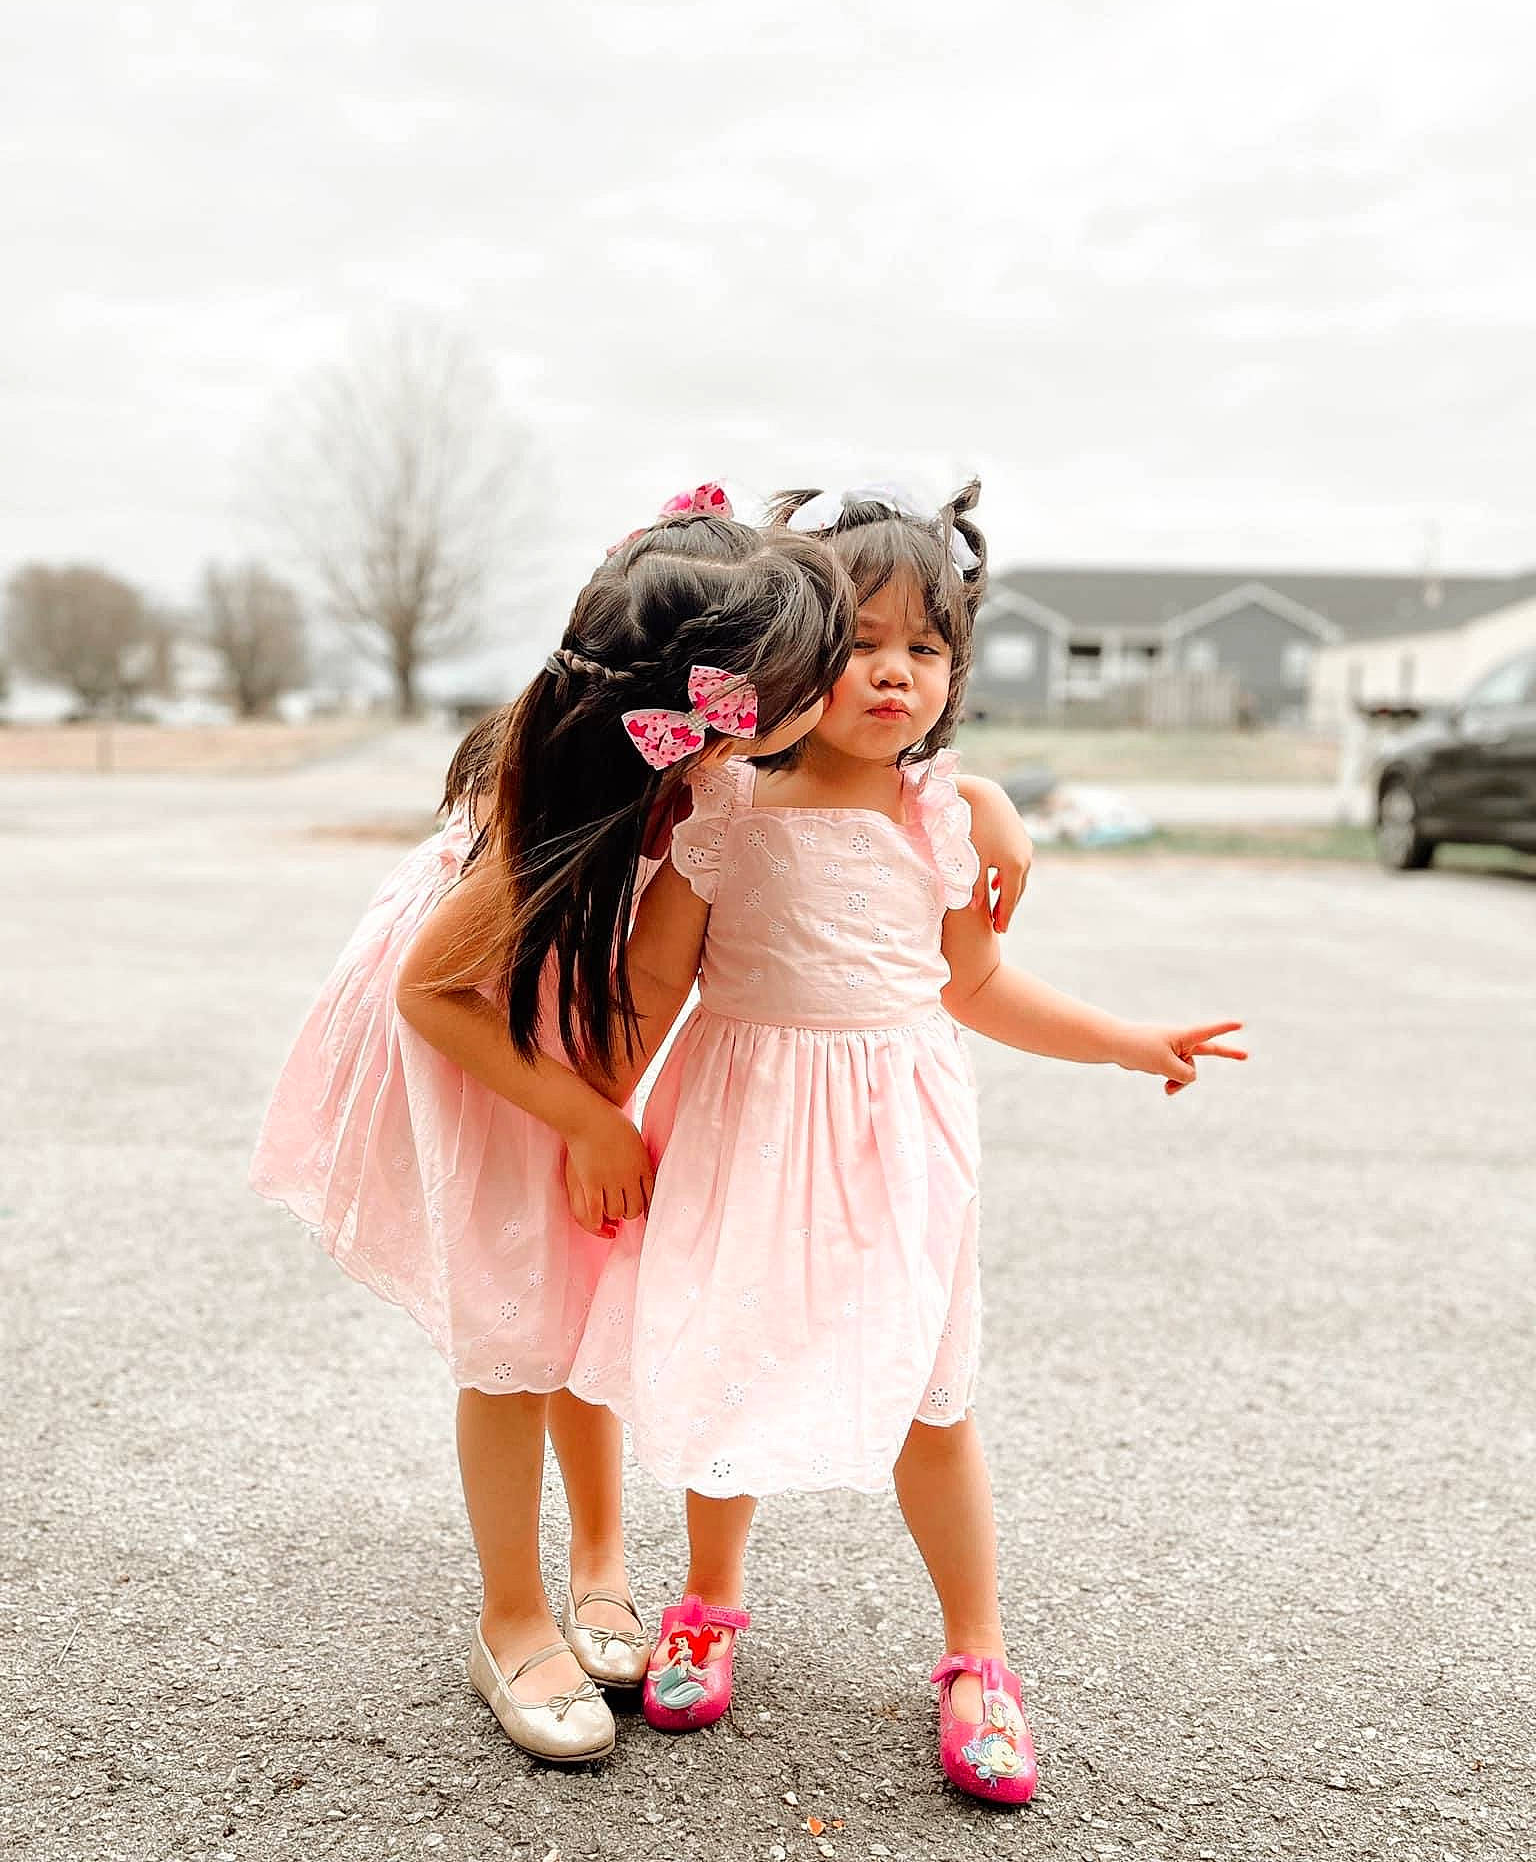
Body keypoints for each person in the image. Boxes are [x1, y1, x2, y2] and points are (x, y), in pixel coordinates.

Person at [570, 482, 1245, 1804]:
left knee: (933, 1399)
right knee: (730, 1356)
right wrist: (586, 1111)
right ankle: (709, 1601)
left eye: (924, 649)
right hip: (741, 1115)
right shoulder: (724, 808)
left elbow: (977, 987)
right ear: (791, 660)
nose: (893, 673)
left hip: (900, 1131)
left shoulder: (946, 818)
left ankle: (979, 1657)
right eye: (859, 644)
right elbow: (653, 989)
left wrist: (1127, 1038)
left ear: (958, 669)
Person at [249, 486, 855, 1768]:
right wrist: (584, 1114)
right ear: (711, 704)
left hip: (567, 1032)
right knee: (514, 1328)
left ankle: (599, 1559)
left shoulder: (699, 770)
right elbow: (429, 992)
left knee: (588, 1303)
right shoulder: (551, 809)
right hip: (483, 1035)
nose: (833, 690)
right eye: (809, 676)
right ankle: (510, 1611)